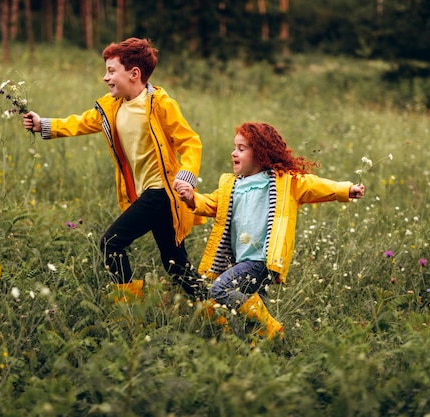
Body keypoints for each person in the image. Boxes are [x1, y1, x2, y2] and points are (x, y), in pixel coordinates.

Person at [23, 37, 205, 301]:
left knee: (111, 243)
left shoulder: (160, 104)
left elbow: (190, 141)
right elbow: (81, 122)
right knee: (176, 266)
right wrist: (44, 125)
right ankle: (222, 308)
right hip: (146, 195)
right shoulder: (113, 107)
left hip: (163, 192)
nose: (105, 78)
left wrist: (186, 178)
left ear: (134, 74)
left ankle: (129, 311)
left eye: (111, 71)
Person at [174, 122, 365, 339]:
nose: (233, 153)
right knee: (248, 302)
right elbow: (212, 204)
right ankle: (257, 342)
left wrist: (346, 189)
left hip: (262, 259)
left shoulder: (283, 181)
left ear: (260, 153)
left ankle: (270, 327)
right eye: (234, 147)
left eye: (241, 148)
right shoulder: (232, 184)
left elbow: (314, 186)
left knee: (219, 290)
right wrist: (191, 197)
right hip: (240, 259)